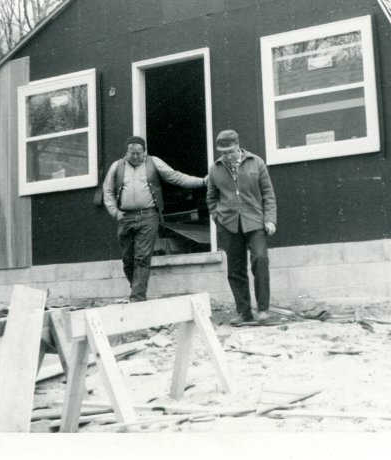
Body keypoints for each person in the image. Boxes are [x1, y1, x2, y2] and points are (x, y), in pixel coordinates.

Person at [102, 135, 206, 302]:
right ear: (126, 152)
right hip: (125, 218)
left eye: (139, 153)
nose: (135, 157)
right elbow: (107, 191)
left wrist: (202, 182)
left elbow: (176, 177)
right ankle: (136, 289)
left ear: (145, 152)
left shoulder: (154, 162)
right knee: (128, 260)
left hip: (148, 216)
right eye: (132, 153)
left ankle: (137, 298)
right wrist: (115, 211)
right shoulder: (117, 166)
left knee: (142, 257)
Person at [206, 129, 277, 324]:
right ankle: (244, 312)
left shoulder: (256, 162)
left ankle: (263, 310)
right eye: (223, 152)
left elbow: (268, 194)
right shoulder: (215, 169)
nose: (227, 156)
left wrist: (270, 219)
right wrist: (217, 217)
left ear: (238, 146)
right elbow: (211, 198)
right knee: (235, 269)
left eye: (230, 151)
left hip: (255, 220)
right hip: (228, 224)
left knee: (260, 260)